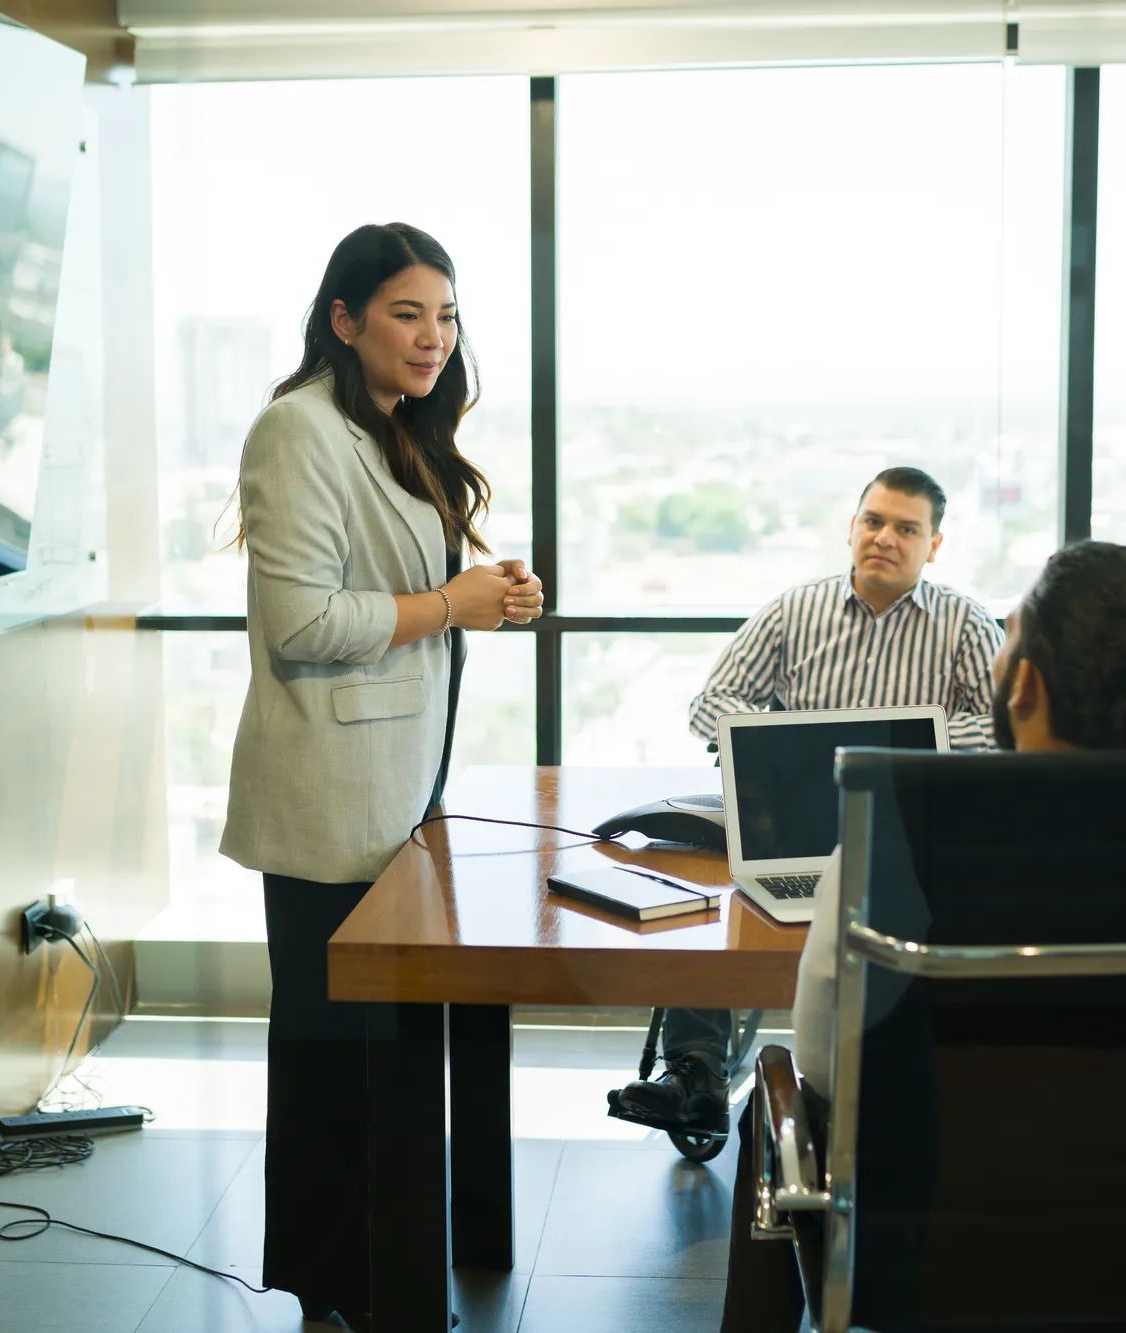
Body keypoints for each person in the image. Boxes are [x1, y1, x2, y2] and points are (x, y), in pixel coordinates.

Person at [720, 540, 1126, 1330]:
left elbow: (825, 1053)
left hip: (923, 1245)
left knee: (774, 1092)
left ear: (1024, 682)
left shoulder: (900, 815)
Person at [220, 223, 543, 1332]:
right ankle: (342, 1293)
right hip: (329, 802)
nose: (434, 337)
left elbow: (395, 598)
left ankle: (379, 1281)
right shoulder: (297, 430)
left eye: (446, 315)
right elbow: (301, 621)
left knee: (386, 1061)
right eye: (408, 313)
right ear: (345, 319)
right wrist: (450, 606)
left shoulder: (395, 428)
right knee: (335, 1067)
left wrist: (482, 597)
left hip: (395, 789)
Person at [608, 467, 1004, 1137]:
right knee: (707, 888)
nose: (885, 537)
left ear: (934, 545)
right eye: (874, 521)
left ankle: (907, 1075)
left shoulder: (965, 624)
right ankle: (695, 1073)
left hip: (907, 833)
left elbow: (1000, 729)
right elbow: (712, 704)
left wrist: (896, 735)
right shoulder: (796, 610)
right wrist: (788, 745)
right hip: (789, 820)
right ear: (852, 527)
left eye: (907, 528)